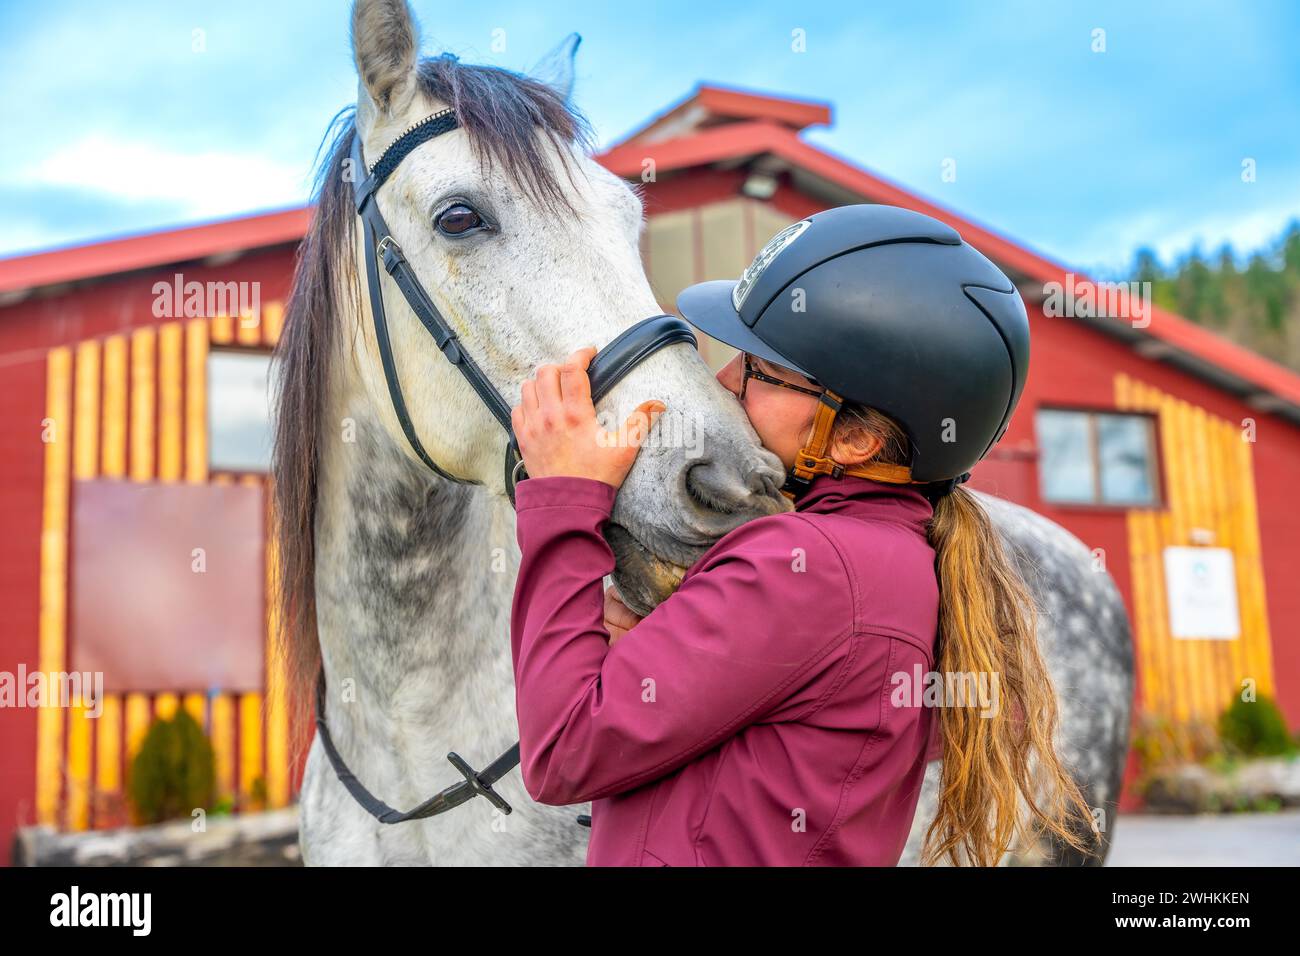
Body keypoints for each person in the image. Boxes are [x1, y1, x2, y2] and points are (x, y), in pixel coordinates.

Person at [508, 204, 1097, 866]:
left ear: (853, 437)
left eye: (757, 370)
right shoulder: (900, 560)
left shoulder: (808, 565)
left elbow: (563, 752)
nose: (725, 383)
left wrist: (560, 499)